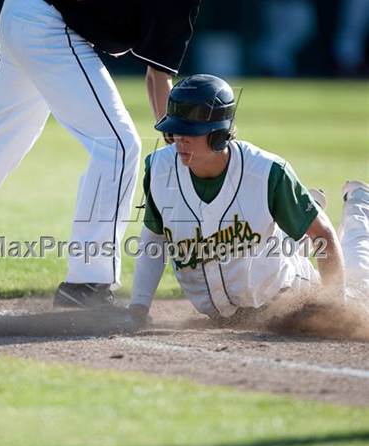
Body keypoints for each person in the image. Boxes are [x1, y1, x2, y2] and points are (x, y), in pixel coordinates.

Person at [0, 0, 277, 314]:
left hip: (22, 4)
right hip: (52, 27)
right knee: (120, 145)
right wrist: (177, 145)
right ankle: (87, 286)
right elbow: (157, 77)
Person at [130, 75, 368, 323]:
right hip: (236, 294)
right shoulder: (160, 168)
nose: (180, 140)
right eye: (175, 131)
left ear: (218, 135)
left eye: (190, 132)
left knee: (360, 288)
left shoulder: (265, 172)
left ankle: (359, 209)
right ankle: (301, 209)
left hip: (284, 293)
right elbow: (153, 240)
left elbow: (324, 237)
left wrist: (335, 309)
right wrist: (138, 307)